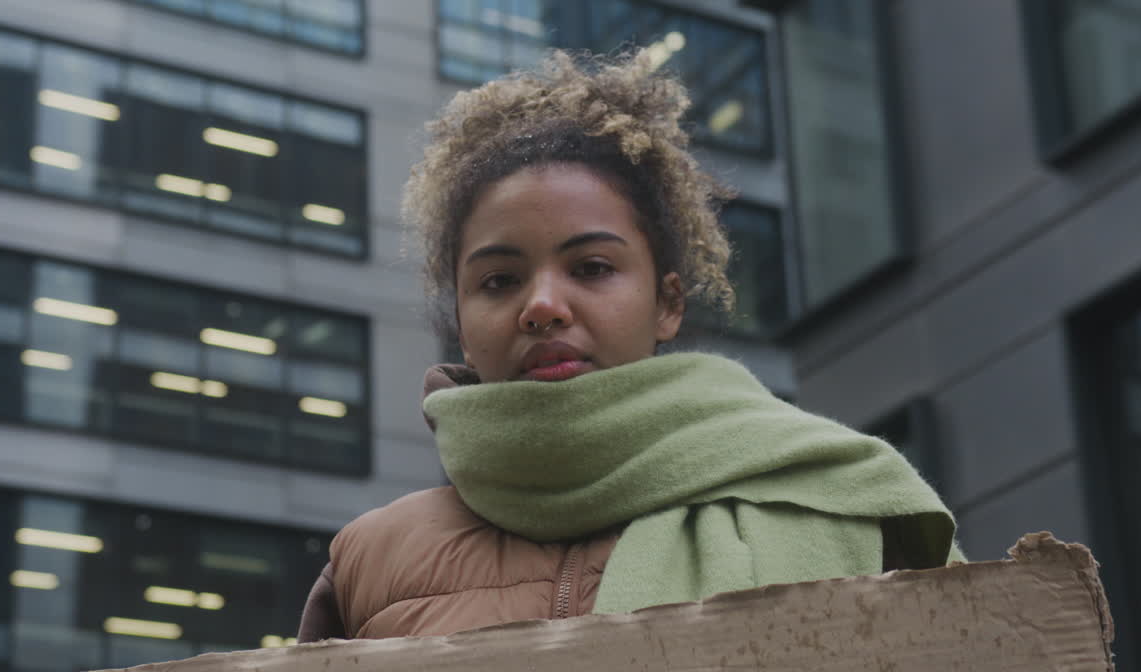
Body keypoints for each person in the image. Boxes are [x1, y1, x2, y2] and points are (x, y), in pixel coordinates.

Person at [296, 48, 960, 643]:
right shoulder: (369, 560)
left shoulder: (843, 498)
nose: (543, 307)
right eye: (499, 281)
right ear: (463, 325)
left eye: (591, 268)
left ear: (667, 303)